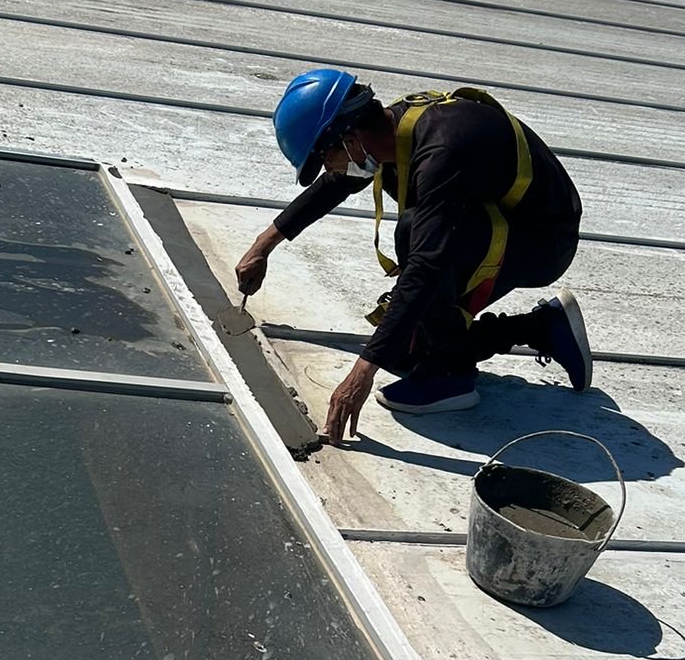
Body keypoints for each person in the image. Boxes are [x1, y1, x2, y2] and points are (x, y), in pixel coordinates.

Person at [236, 69, 592, 443]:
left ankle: (450, 377)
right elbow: (334, 187)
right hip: (501, 224)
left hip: (544, 241)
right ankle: (542, 328)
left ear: (350, 139)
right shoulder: (390, 131)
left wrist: (361, 373)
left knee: (413, 235)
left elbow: (427, 263)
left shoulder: (441, 152)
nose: (329, 169)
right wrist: (263, 246)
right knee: (403, 352)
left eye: (324, 159)